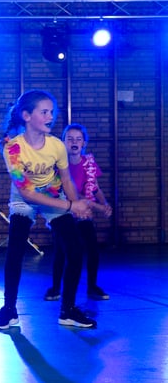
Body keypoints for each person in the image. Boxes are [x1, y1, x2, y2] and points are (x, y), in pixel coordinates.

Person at [0, 90, 97, 331]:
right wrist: (71, 205)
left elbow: (66, 180)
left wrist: (77, 206)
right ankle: (9, 310)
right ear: (27, 116)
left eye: (52, 112)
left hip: (52, 193)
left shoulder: (56, 146)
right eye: (44, 112)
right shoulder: (13, 149)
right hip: (24, 198)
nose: (51, 117)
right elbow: (27, 193)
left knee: (75, 249)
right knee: (15, 250)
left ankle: (68, 310)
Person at [44, 123, 112, 302]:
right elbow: (71, 192)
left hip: (83, 214)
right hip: (64, 212)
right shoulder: (58, 165)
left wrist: (105, 203)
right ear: (63, 142)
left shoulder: (88, 164)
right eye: (70, 139)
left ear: (83, 143)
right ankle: (55, 288)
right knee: (61, 251)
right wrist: (97, 207)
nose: (74, 142)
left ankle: (92, 286)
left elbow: (94, 188)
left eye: (78, 139)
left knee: (92, 249)